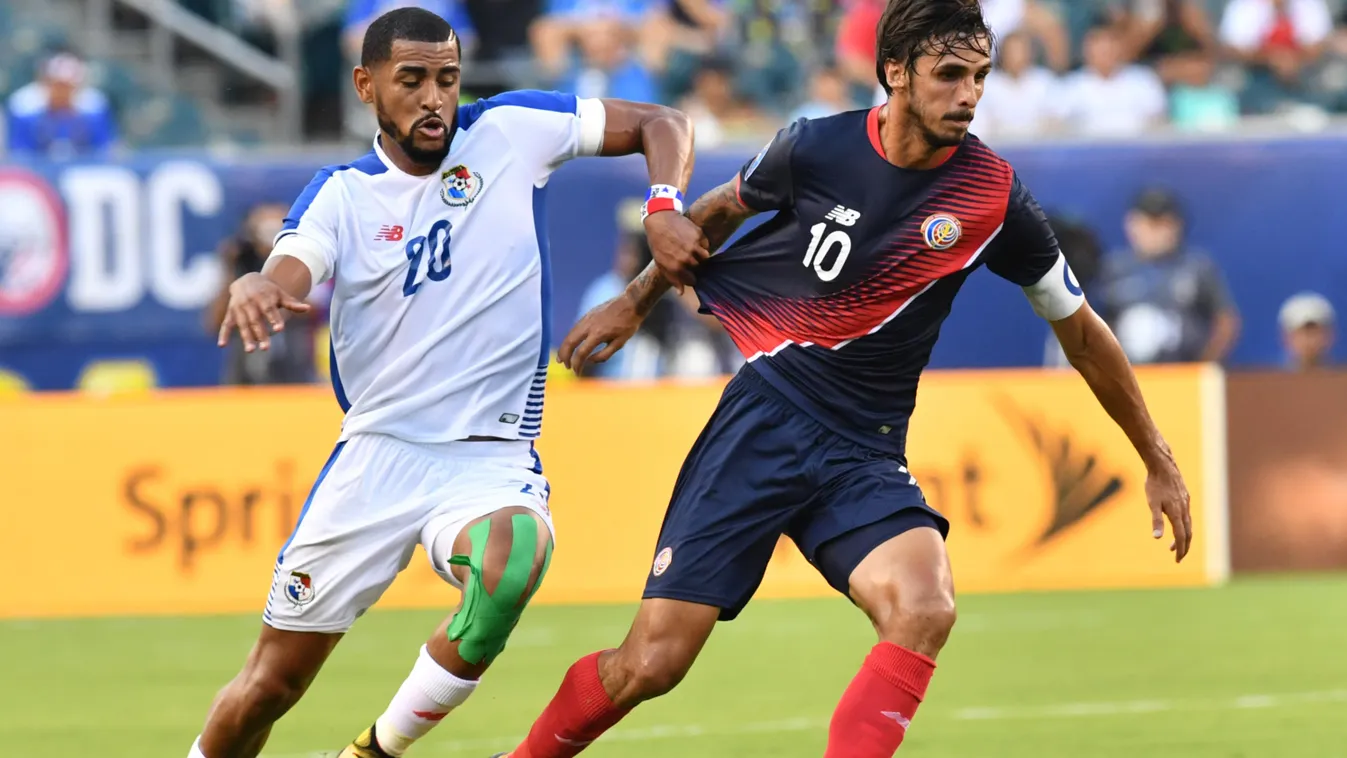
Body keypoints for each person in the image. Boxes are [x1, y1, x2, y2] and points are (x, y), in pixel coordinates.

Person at [496, 1, 1194, 756]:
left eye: (980, 78)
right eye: (949, 75)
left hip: (863, 451)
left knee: (924, 608)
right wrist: (634, 304)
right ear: (894, 73)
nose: (967, 95)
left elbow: (1082, 334)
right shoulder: (814, 147)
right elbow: (717, 213)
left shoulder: (993, 196)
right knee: (650, 664)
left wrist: (1155, 455)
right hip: (764, 420)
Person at [187, 8, 705, 758]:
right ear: (366, 86)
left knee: (513, 560)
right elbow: (292, 264)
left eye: (448, 78)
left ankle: (372, 752)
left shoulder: (513, 130)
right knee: (271, 685)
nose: (435, 97)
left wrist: (663, 205)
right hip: (377, 459)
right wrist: (261, 285)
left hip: (489, 456)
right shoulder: (342, 196)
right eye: (412, 81)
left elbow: (664, 122)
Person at [1094, 187, 1241, 365]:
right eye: (1147, 223)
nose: (1155, 233)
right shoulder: (1113, 268)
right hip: (1128, 375)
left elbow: (1226, 321)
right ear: (1131, 225)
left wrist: (1204, 365)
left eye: (1163, 224)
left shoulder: (1197, 266)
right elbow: (1098, 323)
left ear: (1177, 226)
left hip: (1183, 372)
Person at [205, 202, 321, 385]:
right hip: (245, 378)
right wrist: (232, 270)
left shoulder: (308, 258)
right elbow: (215, 323)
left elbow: (315, 310)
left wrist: (277, 276)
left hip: (295, 375)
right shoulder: (240, 265)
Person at [1279, 291, 1336, 370]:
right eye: (1301, 333)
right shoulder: (1270, 380)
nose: (1309, 340)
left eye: (1314, 332)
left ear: (1330, 334)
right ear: (1286, 337)